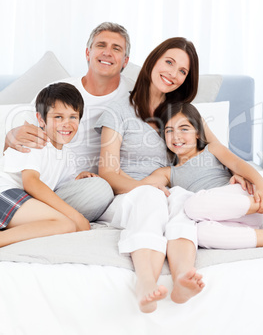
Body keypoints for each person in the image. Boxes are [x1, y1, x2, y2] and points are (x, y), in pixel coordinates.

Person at [95, 37, 235, 313]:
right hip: (128, 196)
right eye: (169, 62)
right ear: (153, 61)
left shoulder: (181, 114)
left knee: (184, 199)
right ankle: (146, 282)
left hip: (171, 193)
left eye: (182, 71)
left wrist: (239, 175)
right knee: (151, 196)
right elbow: (107, 171)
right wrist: (143, 187)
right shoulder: (118, 110)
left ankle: (184, 277)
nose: (173, 74)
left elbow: (216, 148)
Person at [3, 22, 133, 222]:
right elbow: (20, 142)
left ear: (125, 61)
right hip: (35, 182)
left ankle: (44, 218)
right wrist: (9, 137)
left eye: (116, 48)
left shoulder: (132, 98)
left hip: (74, 185)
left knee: (100, 190)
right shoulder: (58, 91)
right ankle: (45, 217)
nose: (107, 52)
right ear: (88, 53)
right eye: (101, 45)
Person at [143, 102, 263, 249]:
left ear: (197, 132)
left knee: (191, 206)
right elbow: (137, 187)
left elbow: (238, 165)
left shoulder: (212, 149)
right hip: (223, 216)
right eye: (169, 130)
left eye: (184, 129)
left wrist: (262, 187)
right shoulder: (167, 173)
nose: (176, 136)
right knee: (199, 233)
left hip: (243, 198)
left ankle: (260, 205)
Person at [0, 82, 91, 248]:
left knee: (65, 225)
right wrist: (76, 216)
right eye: (58, 117)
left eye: (73, 117)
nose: (67, 123)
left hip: (22, 199)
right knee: (67, 224)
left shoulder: (67, 155)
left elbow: (63, 184)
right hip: (4, 192)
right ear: (41, 120)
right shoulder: (35, 139)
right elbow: (31, 182)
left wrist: (81, 177)